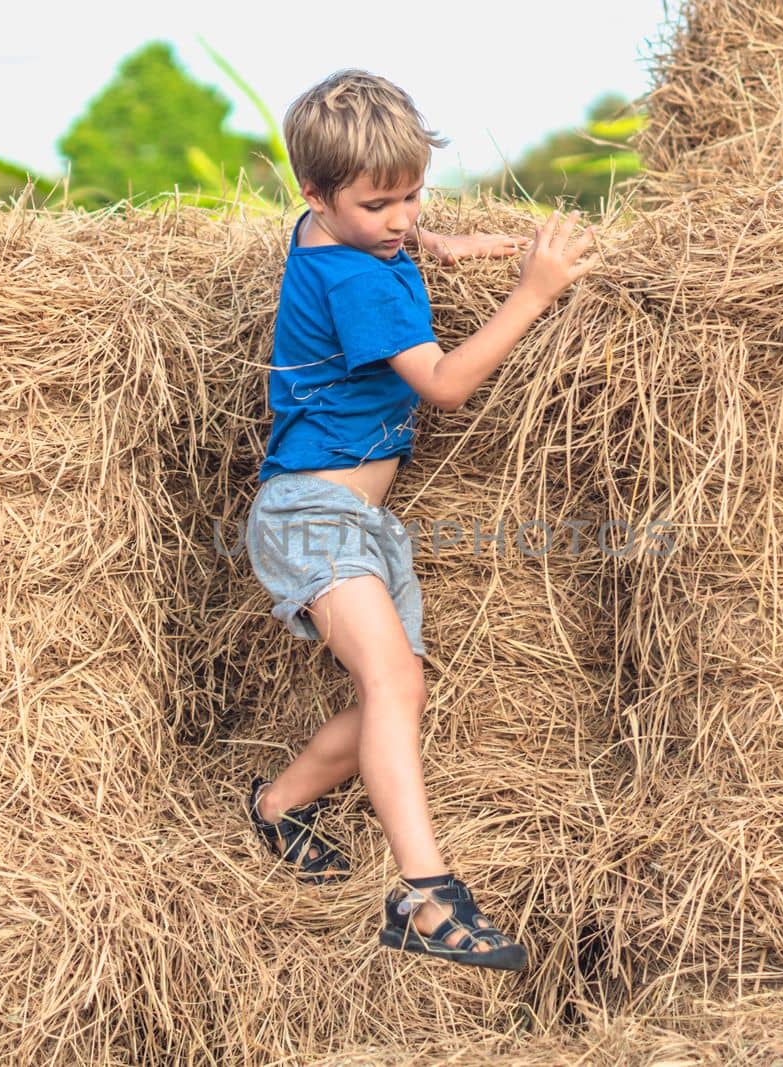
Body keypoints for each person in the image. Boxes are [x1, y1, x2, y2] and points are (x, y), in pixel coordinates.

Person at [243, 68, 596, 973]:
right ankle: (425, 894)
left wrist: (433, 242)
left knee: (399, 690)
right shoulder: (356, 280)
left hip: (361, 523)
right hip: (310, 512)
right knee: (396, 684)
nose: (399, 219)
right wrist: (531, 291)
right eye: (380, 204)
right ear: (315, 193)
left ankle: (280, 804)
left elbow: (376, 242)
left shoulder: (330, 235)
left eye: (412, 196)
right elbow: (443, 386)